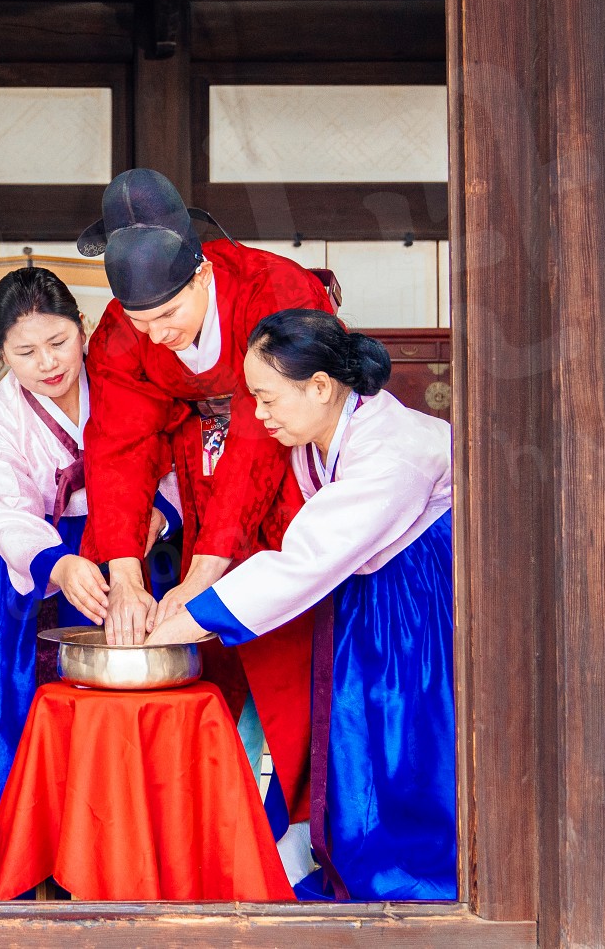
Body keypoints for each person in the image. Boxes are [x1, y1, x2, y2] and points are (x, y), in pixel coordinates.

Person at [149, 310, 455, 902]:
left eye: (267, 399)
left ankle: (415, 873)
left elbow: (306, 559)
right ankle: (362, 854)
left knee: (404, 726)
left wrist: (194, 617)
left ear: (319, 387)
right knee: (356, 726)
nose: (259, 414)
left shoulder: (393, 449)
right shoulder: (318, 431)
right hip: (366, 593)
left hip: (417, 595)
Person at [73, 167, 335, 844]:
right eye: (141, 321)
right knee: (206, 649)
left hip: (289, 461)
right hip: (202, 472)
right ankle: (213, 824)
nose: (155, 334)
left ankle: (304, 828)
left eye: (168, 316)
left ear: (201, 274)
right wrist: (124, 572)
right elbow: (118, 445)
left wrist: (204, 572)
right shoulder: (123, 331)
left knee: (290, 641)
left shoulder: (273, 290)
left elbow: (259, 435)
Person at [0, 266, 178, 820]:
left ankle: (129, 813)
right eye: (25, 352)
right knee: (27, 687)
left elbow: (170, 451)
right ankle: (38, 818)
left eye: (58, 341)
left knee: (134, 672)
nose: (48, 363)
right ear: (2, 353)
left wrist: (160, 513)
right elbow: (6, 512)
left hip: (129, 541)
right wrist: (59, 564)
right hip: (34, 562)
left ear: (83, 326)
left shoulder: (121, 380)